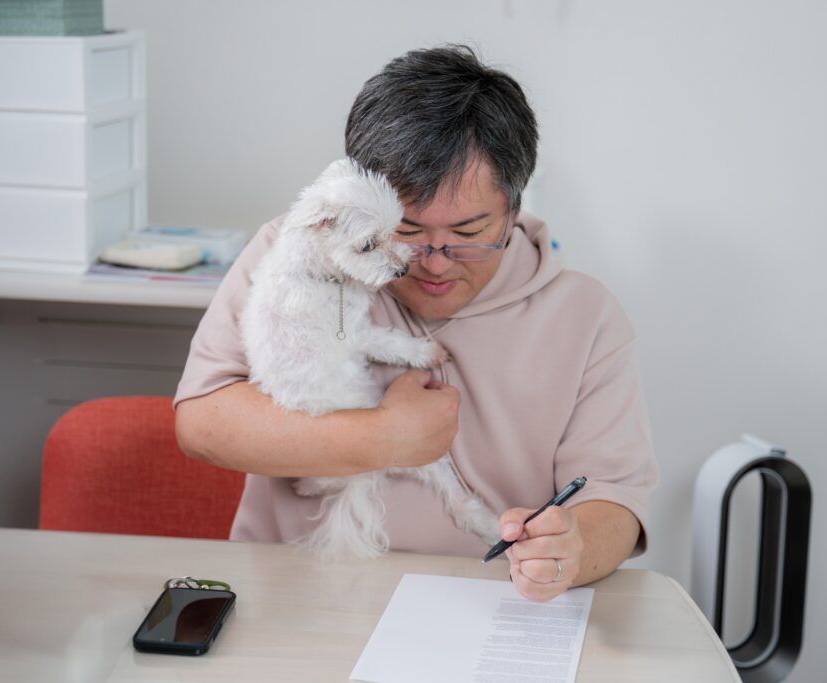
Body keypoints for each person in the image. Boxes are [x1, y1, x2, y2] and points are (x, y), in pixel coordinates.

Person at [174, 45, 658, 602]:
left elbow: (614, 498)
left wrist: (574, 548)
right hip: (295, 595)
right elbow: (202, 423)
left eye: (470, 234)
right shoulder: (298, 253)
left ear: (515, 206)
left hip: (490, 605)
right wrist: (383, 438)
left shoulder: (584, 315)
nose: (433, 261)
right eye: (406, 232)